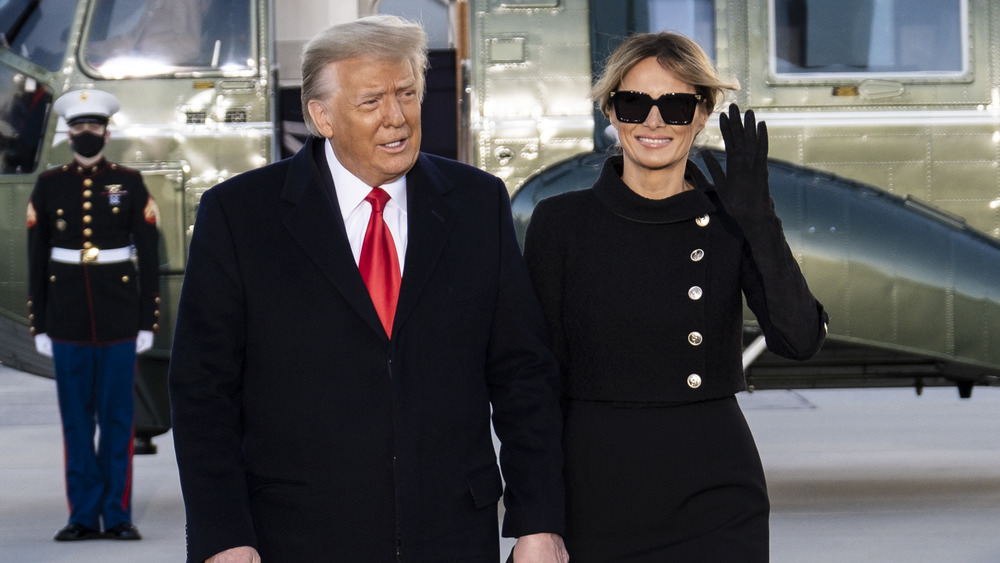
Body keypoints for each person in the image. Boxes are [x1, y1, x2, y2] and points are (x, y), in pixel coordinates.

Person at [168, 15, 567, 563]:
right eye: (372, 101)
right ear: (321, 116)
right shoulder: (241, 216)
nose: (396, 117)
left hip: (452, 536)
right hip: (295, 539)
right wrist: (223, 537)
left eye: (407, 93)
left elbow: (523, 374)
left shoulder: (477, 204)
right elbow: (202, 391)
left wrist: (538, 521)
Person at [523, 32, 829, 562]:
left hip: (715, 493)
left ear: (703, 112)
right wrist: (537, 521)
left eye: (677, 104)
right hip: (597, 491)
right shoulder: (561, 223)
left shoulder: (730, 220)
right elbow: (534, 384)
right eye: (634, 103)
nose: (654, 121)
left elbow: (799, 339)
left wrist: (759, 220)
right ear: (611, 111)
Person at [26, 88, 160, 542]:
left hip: (119, 319)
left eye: (95, 126)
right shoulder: (49, 184)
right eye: (79, 126)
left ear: (106, 131)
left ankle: (117, 515)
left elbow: (149, 253)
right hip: (66, 320)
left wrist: (147, 321)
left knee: (119, 421)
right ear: (68, 133)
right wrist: (40, 323)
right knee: (77, 422)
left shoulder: (130, 182)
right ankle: (83, 516)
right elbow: (36, 257)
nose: (87, 133)